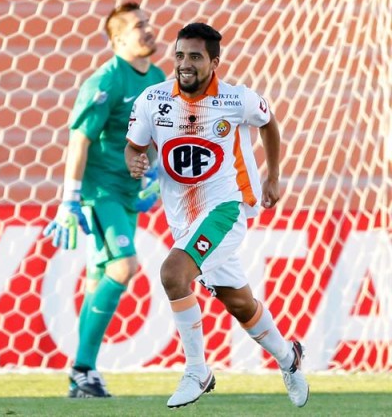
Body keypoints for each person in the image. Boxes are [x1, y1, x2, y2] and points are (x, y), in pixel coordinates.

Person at [125, 23, 309, 409]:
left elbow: (269, 124)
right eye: (179, 55)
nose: (184, 64)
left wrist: (272, 176)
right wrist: (136, 162)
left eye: (194, 56)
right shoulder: (151, 100)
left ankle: (197, 370)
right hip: (181, 219)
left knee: (173, 274)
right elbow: (133, 147)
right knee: (238, 302)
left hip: (229, 207)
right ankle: (289, 358)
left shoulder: (237, 100)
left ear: (214, 62)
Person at [43, 2, 166, 398]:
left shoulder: (161, 78)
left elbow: (162, 136)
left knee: (100, 279)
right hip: (101, 193)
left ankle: (82, 376)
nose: (148, 29)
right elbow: (79, 140)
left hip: (129, 194)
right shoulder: (106, 81)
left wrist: (158, 175)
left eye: (148, 22)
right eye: (138, 26)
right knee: (124, 266)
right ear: (118, 39)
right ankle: (82, 368)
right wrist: (70, 200)